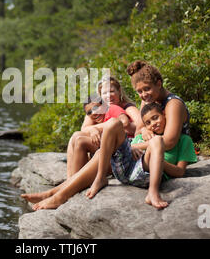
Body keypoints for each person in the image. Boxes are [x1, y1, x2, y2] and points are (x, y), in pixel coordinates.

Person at [21, 61, 190, 210]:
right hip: (140, 152)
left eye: (147, 89)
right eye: (139, 91)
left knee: (103, 150)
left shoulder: (173, 104)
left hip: (156, 157)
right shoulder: (149, 100)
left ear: (159, 83)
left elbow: (168, 141)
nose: (144, 95)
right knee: (97, 143)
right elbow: (140, 128)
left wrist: (132, 145)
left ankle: (59, 194)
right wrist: (143, 131)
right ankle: (58, 192)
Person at [86, 102, 197, 209]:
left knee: (157, 140)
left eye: (155, 118)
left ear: (164, 115)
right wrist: (134, 146)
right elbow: (130, 148)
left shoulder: (184, 140)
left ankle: (152, 192)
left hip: (145, 174)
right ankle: (100, 177)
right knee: (113, 123)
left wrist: (158, 161)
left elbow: (180, 171)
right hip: (125, 169)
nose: (153, 124)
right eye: (148, 123)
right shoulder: (144, 136)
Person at [65, 76, 140, 178]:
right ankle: (70, 178)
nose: (108, 96)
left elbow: (139, 125)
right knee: (75, 136)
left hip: (123, 146)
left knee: (79, 139)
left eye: (112, 91)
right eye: (104, 93)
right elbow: (84, 129)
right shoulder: (98, 109)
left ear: (119, 92)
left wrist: (98, 128)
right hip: (107, 144)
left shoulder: (127, 107)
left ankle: (74, 180)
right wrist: (93, 130)